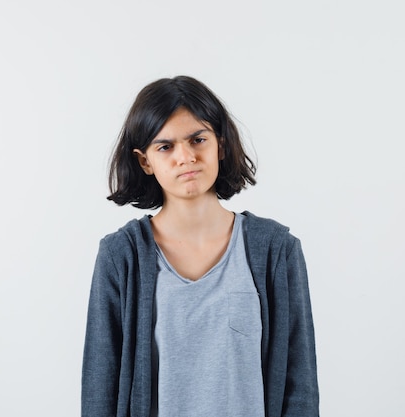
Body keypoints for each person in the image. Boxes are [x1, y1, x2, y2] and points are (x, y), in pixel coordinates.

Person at [81, 75, 319, 417]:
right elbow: (99, 388)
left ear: (220, 145)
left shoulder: (276, 251)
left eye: (197, 139)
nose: (185, 156)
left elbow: (301, 386)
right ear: (145, 161)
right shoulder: (121, 257)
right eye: (165, 146)